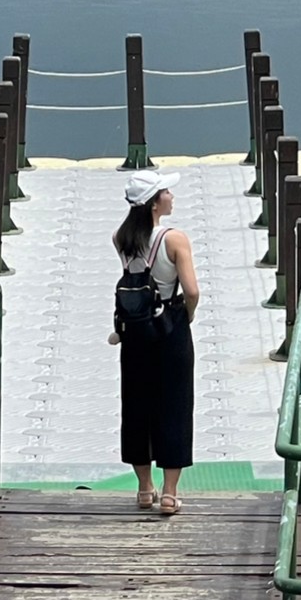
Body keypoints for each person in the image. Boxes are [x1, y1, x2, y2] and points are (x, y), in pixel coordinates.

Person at [107, 169, 200, 515]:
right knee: (174, 404)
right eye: (166, 192)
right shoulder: (175, 240)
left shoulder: (121, 237)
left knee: (136, 405)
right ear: (153, 203)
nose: (171, 197)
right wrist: (187, 316)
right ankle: (170, 493)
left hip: (134, 331)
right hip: (169, 327)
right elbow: (191, 290)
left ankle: (145, 488)